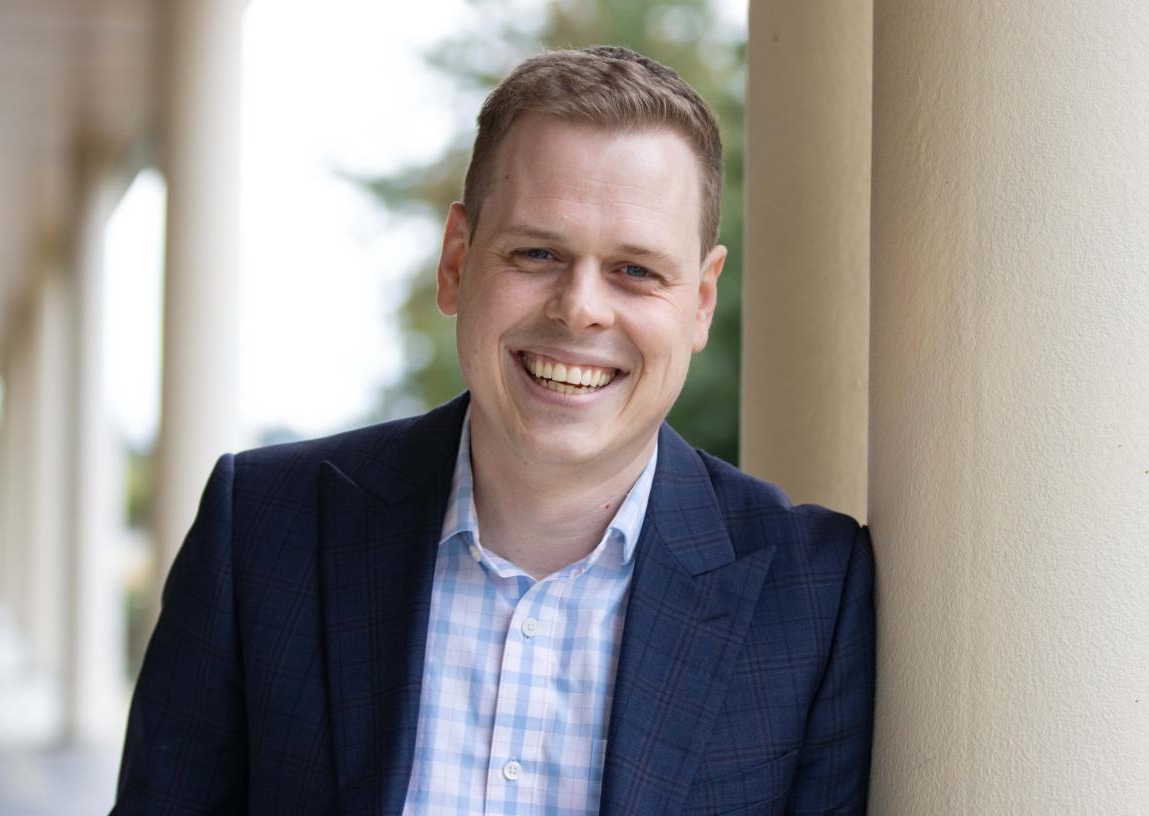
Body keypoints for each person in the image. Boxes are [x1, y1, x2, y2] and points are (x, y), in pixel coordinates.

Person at [112, 46, 874, 815]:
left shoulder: (811, 591)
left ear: (702, 301)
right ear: (456, 262)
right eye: (537, 252)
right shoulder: (263, 531)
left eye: (636, 270)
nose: (580, 308)